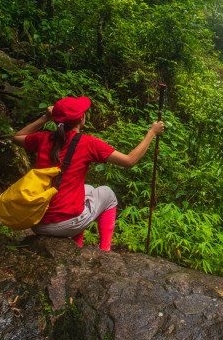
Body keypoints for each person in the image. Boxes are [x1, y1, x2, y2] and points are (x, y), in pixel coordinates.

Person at [12, 96, 164, 250]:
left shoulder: (44, 138)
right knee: (108, 194)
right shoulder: (88, 143)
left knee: (89, 189)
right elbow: (129, 161)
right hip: (65, 224)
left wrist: (45, 118)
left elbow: (16, 137)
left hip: (37, 222)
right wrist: (152, 132)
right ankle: (105, 250)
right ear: (81, 119)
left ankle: (77, 245)